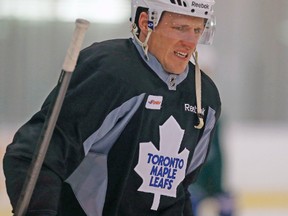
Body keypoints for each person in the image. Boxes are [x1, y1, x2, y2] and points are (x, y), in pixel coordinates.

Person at [3, 0, 221, 215]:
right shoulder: (110, 73)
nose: (190, 41)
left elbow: (178, 189)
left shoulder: (204, 97)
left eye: (197, 29)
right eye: (180, 28)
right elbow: (33, 155)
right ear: (146, 23)